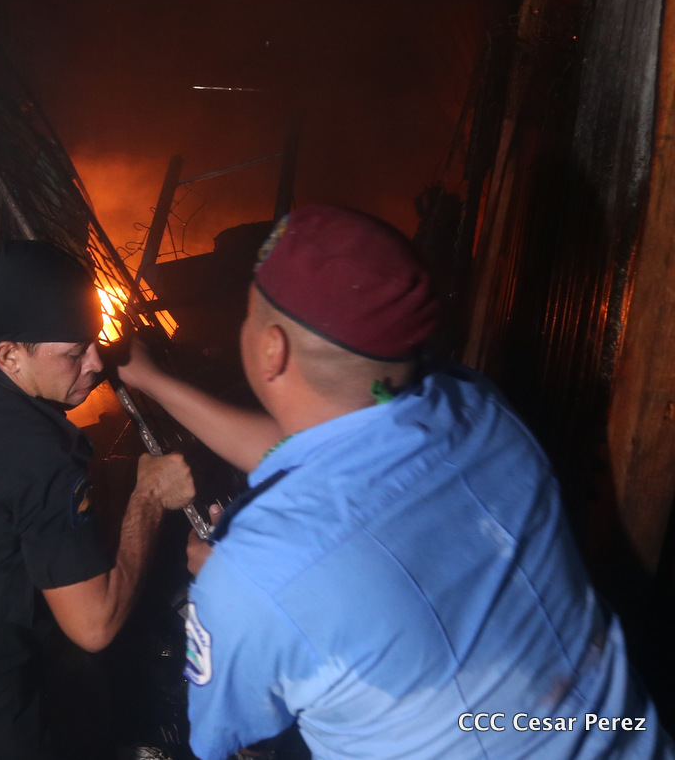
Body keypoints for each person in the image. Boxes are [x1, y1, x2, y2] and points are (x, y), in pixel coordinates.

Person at [117, 204, 672, 760]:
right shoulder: (474, 406)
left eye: (249, 314)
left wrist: (231, 589)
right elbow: (325, 448)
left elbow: (229, 738)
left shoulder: (248, 577)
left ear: (271, 348)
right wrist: (154, 381)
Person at [0, 240, 195, 760]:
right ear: (10, 355)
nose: (94, 362)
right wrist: (150, 498)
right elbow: (95, 626)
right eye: (73, 354)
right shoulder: (37, 455)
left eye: (95, 342)